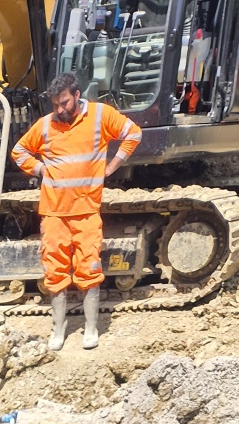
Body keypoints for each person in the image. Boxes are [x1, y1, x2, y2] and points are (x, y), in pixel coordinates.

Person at [11, 73, 142, 353]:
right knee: (55, 272)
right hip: (54, 213)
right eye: (56, 105)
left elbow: (133, 134)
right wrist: (40, 169)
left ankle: (90, 328)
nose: (60, 110)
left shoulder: (99, 116)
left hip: (86, 211)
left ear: (77, 94)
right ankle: (58, 330)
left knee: (89, 270)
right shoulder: (45, 126)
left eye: (65, 103)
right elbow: (19, 151)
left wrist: (112, 166)